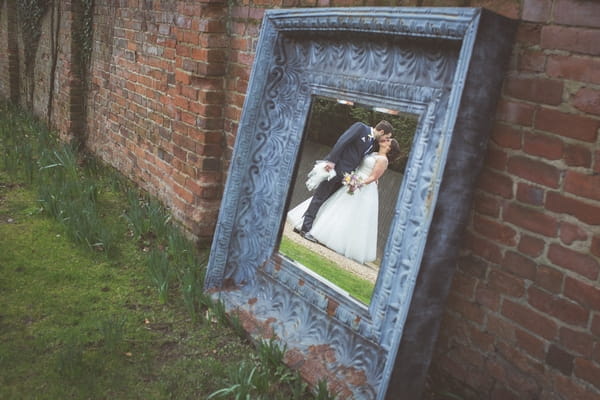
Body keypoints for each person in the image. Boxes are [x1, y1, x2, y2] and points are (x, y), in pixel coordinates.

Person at [287, 138, 401, 264]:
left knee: (349, 213)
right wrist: (351, 178)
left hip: (361, 186)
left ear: (389, 148)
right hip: (353, 178)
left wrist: (357, 184)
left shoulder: (383, 160)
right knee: (334, 205)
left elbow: (374, 177)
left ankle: (337, 241)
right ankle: (312, 227)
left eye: (388, 141)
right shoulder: (374, 154)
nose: (385, 140)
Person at [298, 120, 394, 242]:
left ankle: (301, 224)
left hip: (346, 176)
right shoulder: (360, 128)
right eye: (387, 136)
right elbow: (342, 141)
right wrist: (331, 161)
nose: (386, 139)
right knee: (319, 197)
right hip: (335, 169)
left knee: (326, 200)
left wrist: (372, 177)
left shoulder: (372, 143)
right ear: (381, 131)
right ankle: (305, 229)